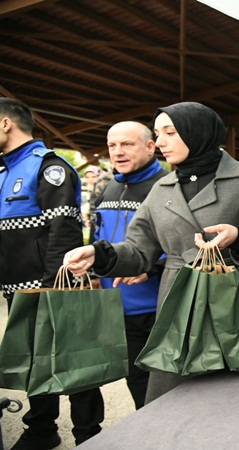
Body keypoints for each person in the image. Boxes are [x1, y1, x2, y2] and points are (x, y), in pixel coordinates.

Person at [63, 101, 239, 403]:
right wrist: (98, 255)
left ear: (198, 132)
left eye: (170, 132)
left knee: (233, 400)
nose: (161, 142)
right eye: (157, 133)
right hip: (178, 305)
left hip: (235, 303)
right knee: (172, 397)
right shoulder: (162, 188)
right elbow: (139, 249)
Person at [0, 98, 104, 449]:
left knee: (74, 362)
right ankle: (42, 430)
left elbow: (64, 231)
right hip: (18, 290)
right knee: (34, 363)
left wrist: (53, 289)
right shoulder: (5, 171)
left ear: (5, 124)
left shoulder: (49, 167)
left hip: (52, 288)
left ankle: (89, 435)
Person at [91, 121, 168, 409]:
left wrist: (152, 267)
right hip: (118, 307)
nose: (118, 152)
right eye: (112, 145)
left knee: (166, 385)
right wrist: (94, 272)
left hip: (158, 307)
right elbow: (97, 236)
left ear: (150, 147)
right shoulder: (108, 188)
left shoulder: (168, 187)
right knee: (137, 382)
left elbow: (184, 242)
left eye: (127, 144)